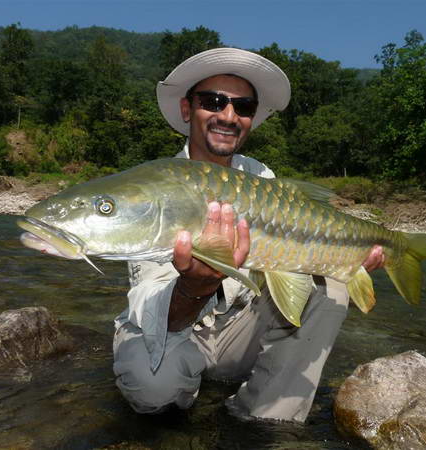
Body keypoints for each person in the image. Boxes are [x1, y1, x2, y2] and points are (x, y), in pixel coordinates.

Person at [113, 48, 384, 422]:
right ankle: (179, 395)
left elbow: (290, 263)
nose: (228, 115)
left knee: (332, 285)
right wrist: (196, 286)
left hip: (238, 333)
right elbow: (155, 308)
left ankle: (265, 419)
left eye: (243, 107)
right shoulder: (154, 191)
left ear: (252, 118)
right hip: (174, 330)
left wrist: (347, 259)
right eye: (214, 101)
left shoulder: (263, 180)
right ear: (187, 109)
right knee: (151, 390)